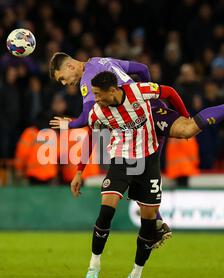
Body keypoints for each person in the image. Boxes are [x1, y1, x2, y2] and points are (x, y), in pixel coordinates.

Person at [71, 71, 224, 278]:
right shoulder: (97, 112)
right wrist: (79, 171)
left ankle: (135, 276)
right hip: (121, 161)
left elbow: (169, 91)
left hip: (149, 161)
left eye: (98, 94)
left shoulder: (139, 92)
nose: (95, 98)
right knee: (106, 211)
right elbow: (92, 137)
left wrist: (185, 117)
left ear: (112, 90)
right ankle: (94, 266)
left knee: (149, 226)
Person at [49, 52, 191, 245]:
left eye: (63, 79)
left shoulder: (89, 80)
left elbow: (85, 119)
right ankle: (156, 222)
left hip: (137, 123)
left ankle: (155, 225)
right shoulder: (102, 61)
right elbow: (142, 69)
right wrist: (147, 97)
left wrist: (70, 125)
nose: (65, 84)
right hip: (147, 115)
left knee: (137, 166)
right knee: (142, 167)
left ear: (71, 67)